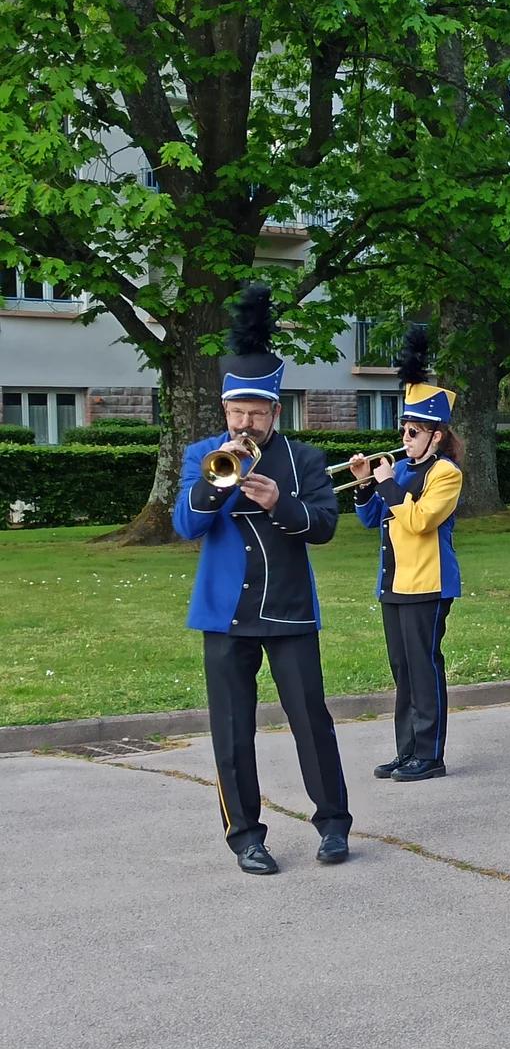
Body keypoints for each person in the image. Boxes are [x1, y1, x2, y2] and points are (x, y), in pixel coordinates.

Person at [173, 285, 350, 874]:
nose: (244, 423)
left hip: (291, 609)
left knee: (311, 722)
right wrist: (213, 483)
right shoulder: (205, 453)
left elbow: (323, 525)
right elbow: (185, 526)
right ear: (225, 412)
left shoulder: (304, 460)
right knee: (231, 732)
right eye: (235, 413)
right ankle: (245, 836)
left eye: (255, 413)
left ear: (276, 412)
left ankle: (332, 826)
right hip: (224, 614)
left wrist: (282, 504)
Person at [348, 324, 464, 783]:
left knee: (424, 666)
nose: (406, 436)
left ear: (436, 436)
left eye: (414, 430)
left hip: (428, 582)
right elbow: (370, 519)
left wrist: (388, 483)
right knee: (402, 670)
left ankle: (430, 753)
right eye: (404, 428)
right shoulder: (400, 470)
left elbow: (418, 521)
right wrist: (363, 483)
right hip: (394, 581)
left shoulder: (446, 473)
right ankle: (406, 749)